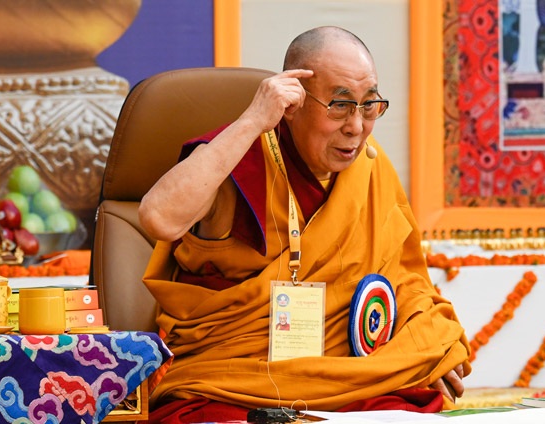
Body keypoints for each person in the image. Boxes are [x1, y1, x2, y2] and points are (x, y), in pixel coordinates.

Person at [139, 26, 471, 422]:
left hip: (346, 379)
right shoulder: (240, 161)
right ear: (293, 103)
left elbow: (403, 279)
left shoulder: (368, 164)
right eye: (340, 106)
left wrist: (427, 339)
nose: (356, 127)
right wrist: (250, 122)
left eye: (370, 106)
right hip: (235, 380)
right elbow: (157, 217)